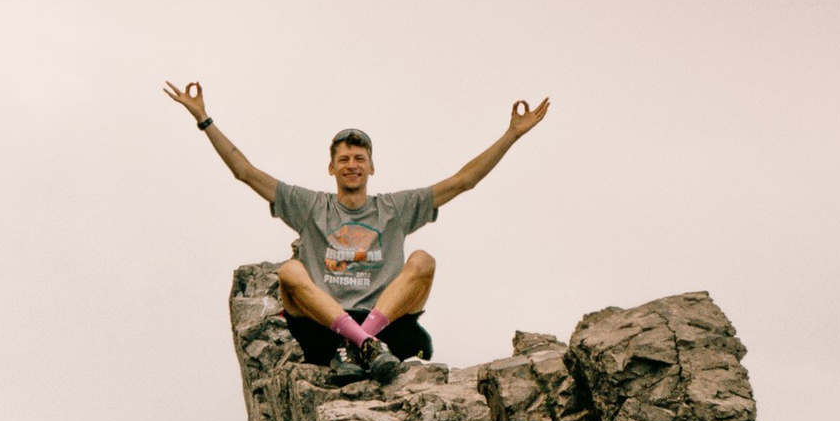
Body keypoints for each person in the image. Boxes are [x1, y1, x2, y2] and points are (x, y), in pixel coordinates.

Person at [163, 79, 551, 381]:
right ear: (331, 168)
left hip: (385, 322)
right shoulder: (311, 205)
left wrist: (512, 134)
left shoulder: (395, 209)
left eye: (360, 158)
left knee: (423, 260)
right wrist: (204, 119)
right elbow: (245, 172)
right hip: (324, 327)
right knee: (289, 271)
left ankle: (366, 339)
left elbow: (464, 180)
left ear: (371, 167)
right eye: (344, 158)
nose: (352, 164)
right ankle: (362, 343)